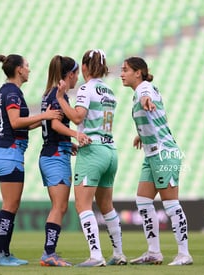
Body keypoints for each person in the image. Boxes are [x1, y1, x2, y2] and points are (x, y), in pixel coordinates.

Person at [0, 54, 62, 266]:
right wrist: (44, 117)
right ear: (19, 70)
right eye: (27, 66)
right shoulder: (12, 92)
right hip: (9, 151)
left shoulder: (8, 90)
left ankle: (3, 252)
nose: (29, 69)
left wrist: (42, 120)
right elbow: (15, 121)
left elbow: (22, 124)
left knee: (11, 205)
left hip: (6, 151)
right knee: (10, 205)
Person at [56, 49, 127, 267]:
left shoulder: (86, 89)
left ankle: (96, 255)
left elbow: (78, 116)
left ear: (84, 67)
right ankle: (119, 253)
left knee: (82, 205)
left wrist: (60, 98)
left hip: (93, 150)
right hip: (110, 150)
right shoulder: (109, 90)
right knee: (107, 206)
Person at [120, 56, 193, 266]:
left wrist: (145, 100)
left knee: (171, 205)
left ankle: (184, 253)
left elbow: (146, 97)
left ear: (138, 72)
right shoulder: (140, 92)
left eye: (125, 70)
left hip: (164, 153)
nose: (121, 74)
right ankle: (154, 252)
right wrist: (141, 134)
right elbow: (158, 116)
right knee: (143, 201)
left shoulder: (145, 88)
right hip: (152, 153)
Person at [39, 55, 90, 266]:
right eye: (76, 73)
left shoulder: (48, 94)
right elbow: (55, 125)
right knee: (59, 207)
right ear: (69, 74)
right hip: (54, 156)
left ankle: (50, 253)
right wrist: (75, 134)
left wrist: (69, 145)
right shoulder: (57, 96)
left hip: (54, 153)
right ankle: (48, 253)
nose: (77, 78)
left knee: (59, 207)